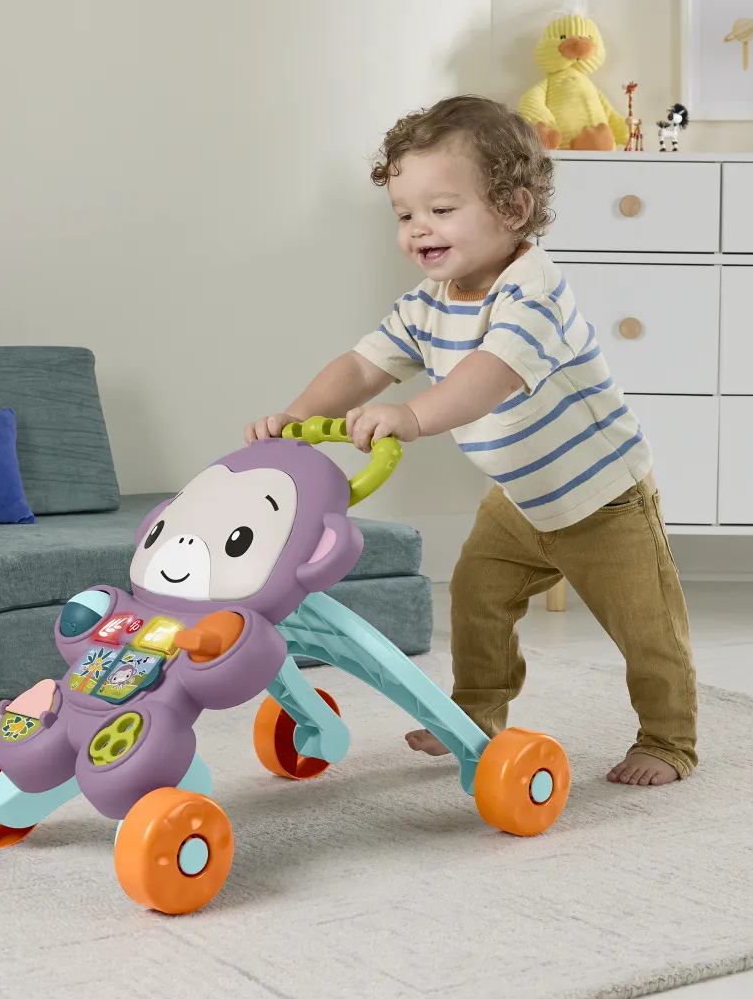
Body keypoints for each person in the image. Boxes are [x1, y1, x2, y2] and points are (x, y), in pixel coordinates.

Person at [245, 96, 697, 785]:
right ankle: (477, 712)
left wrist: (412, 416)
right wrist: (297, 419)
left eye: (441, 209)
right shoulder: (428, 302)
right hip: (518, 498)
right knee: (477, 595)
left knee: (646, 626)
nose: (418, 228)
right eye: (404, 214)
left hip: (602, 499)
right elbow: (363, 366)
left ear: (512, 208)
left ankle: (668, 738)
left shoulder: (533, 293)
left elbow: (490, 376)